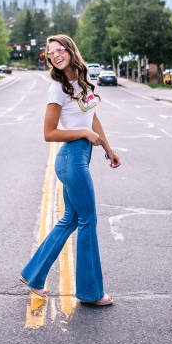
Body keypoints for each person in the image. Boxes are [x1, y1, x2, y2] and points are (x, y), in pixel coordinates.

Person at [20, 34, 121, 306]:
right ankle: (91, 293)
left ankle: (33, 274)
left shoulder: (83, 83)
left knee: (71, 219)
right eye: (50, 53)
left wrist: (108, 149)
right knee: (88, 220)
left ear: (70, 49)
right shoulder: (57, 88)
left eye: (58, 49)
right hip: (71, 159)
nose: (54, 55)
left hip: (80, 158)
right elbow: (49, 133)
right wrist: (84, 133)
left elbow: (93, 117)